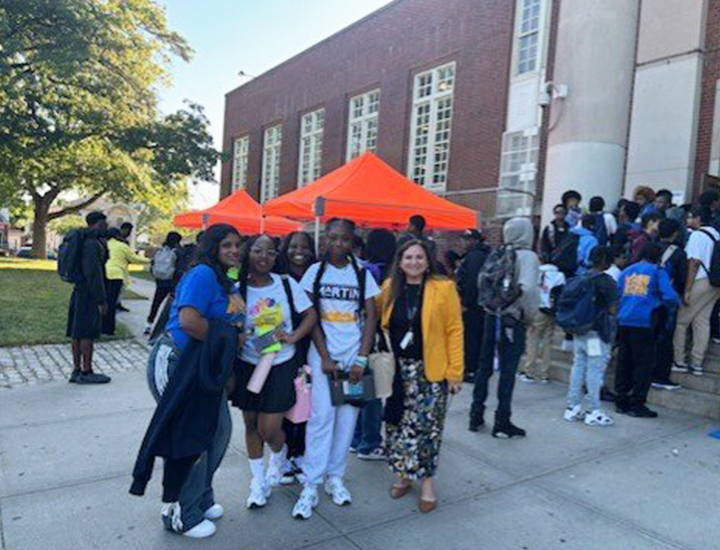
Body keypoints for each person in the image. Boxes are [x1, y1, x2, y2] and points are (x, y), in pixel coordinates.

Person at [145, 224, 244, 538]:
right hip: (177, 364)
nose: (233, 251)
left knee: (219, 432)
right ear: (212, 247)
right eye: (226, 245)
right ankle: (178, 512)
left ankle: (200, 498)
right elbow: (189, 322)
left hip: (204, 369)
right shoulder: (202, 274)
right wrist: (228, 343)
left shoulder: (226, 281)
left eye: (236, 245)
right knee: (191, 438)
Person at [293, 218, 380, 520]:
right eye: (332, 238)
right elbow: (312, 316)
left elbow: (371, 316)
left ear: (352, 241)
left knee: (348, 416)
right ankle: (311, 482)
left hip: (353, 357)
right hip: (324, 357)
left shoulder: (361, 272)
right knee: (320, 417)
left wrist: (361, 358)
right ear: (325, 239)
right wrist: (325, 356)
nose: (338, 244)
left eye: (344, 239)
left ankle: (335, 478)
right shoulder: (315, 272)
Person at [231, 235, 317, 508]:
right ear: (248, 254)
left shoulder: (286, 284)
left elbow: (311, 315)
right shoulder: (237, 289)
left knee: (269, 429)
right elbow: (230, 323)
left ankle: (279, 455)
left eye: (269, 252)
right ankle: (258, 482)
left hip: (281, 364)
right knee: (250, 424)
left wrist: (293, 337)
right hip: (248, 365)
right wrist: (238, 337)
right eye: (257, 250)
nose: (263, 257)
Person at [378, 239, 463, 513]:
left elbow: (454, 329)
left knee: (428, 430)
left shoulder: (444, 288)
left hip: (431, 372)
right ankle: (403, 474)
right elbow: (376, 321)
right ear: (400, 262)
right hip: (397, 372)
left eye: (419, 257)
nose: (414, 262)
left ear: (427, 261)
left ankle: (426, 484)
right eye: (408, 258)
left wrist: (455, 372)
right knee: (398, 426)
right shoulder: (389, 289)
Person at [469, 217, 540, 438]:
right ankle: (502, 421)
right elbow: (527, 289)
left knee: (484, 367)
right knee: (508, 371)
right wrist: (529, 316)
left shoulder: (498, 252)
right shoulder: (528, 257)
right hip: (512, 320)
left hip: (491, 316)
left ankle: (476, 415)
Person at [616, 243, 680, 418]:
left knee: (624, 361)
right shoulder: (658, 271)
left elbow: (618, 292)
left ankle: (621, 400)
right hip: (644, 322)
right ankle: (637, 404)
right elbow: (671, 297)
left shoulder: (628, 270)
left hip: (624, 320)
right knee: (643, 364)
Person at [275, 231, 317, 483]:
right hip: (282, 348)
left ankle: (298, 453)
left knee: (304, 402)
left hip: (309, 346)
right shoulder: (278, 277)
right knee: (283, 402)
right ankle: (282, 454)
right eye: (293, 246)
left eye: (305, 247)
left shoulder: (316, 277)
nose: (298, 251)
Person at [351, 228, 397, 461]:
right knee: (375, 393)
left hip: (354, 339)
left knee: (359, 390)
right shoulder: (387, 275)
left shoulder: (361, 269)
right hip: (376, 340)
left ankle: (356, 438)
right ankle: (369, 444)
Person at [563, 246, 618, 426]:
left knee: (578, 365)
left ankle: (573, 406)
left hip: (580, 330)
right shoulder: (606, 281)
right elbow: (613, 308)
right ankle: (593, 410)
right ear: (605, 260)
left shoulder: (581, 278)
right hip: (596, 332)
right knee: (594, 369)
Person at [673, 204, 720, 377]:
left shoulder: (698, 235)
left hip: (700, 281)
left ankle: (679, 360)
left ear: (698, 218)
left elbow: (693, 262)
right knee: (702, 321)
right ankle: (697, 363)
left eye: (691, 217)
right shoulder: (716, 235)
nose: (688, 220)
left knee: (681, 322)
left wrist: (687, 289)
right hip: (715, 284)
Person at [67, 211, 112, 385]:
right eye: (104, 223)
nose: (107, 226)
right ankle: (86, 371)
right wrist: (101, 300)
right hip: (89, 293)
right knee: (86, 333)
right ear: (98, 224)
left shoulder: (82, 239)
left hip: (79, 291)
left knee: (76, 332)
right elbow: (94, 274)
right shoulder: (92, 244)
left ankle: (77, 370)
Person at [652, 219, 686, 391]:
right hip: (668, 300)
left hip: (649, 298)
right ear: (675, 233)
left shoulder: (652, 247)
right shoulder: (679, 253)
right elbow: (681, 279)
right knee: (665, 338)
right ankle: (660, 376)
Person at [519, 261, 566, 383]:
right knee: (547, 342)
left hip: (538, 310)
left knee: (532, 340)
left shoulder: (538, 272)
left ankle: (529, 371)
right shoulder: (560, 275)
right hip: (552, 311)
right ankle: (544, 373)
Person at [456, 229, 491, 383]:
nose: (462, 242)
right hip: (480, 304)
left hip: (473, 306)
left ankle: (471, 369)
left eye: (466, 239)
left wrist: (465, 303)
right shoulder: (479, 254)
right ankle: (473, 368)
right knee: (475, 337)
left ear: (473, 241)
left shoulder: (475, 256)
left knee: (471, 338)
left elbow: (472, 282)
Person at [103, 226, 149, 335]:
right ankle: (108, 328)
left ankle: (100, 325)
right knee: (112, 303)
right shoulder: (122, 246)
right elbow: (134, 258)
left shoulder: (105, 244)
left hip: (104, 273)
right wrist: (150, 260)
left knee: (104, 301)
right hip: (116, 275)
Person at [145, 231, 183, 335]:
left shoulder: (160, 251)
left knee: (156, 303)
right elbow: (179, 268)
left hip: (160, 281)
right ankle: (167, 327)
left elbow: (153, 264)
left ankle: (149, 324)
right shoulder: (178, 252)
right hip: (172, 282)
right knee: (171, 306)